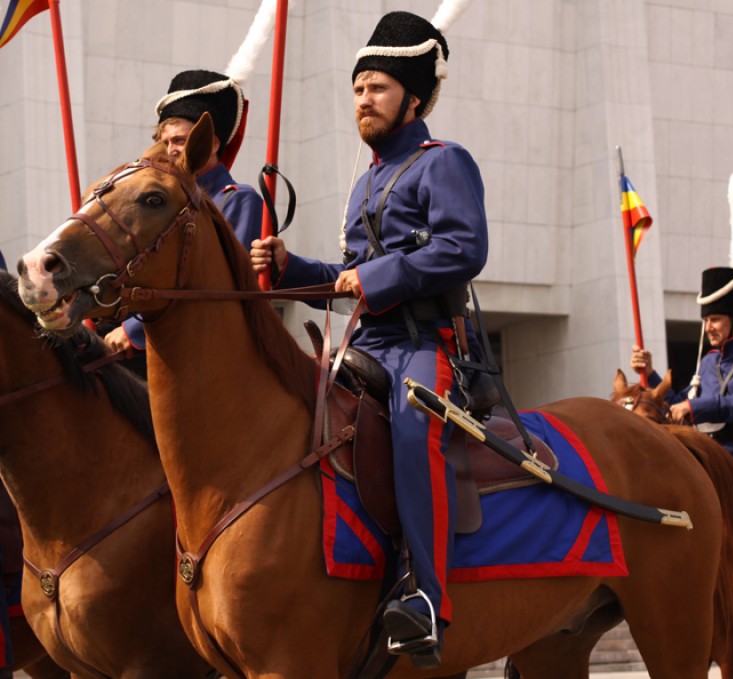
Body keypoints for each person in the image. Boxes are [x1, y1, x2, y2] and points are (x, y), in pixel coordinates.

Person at [251, 11, 488, 668]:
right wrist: (289, 268)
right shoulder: (366, 182)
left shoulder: (443, 164)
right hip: (365, 348)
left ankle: (426, 599)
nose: (364, 99)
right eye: (358, 88)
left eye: (378, 88)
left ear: (412, 98)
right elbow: (343, 276)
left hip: (423, 345)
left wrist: (374, 275)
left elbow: (464, 247)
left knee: (414, 422)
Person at [630, 266, 733, 581]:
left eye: (716, 319)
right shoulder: (708, 362)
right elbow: (680, 401)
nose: (709, 327)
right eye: (706, 320)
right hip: (709, 455)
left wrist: (696, 407)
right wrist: (652, 375)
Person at [103, 69, 263, 363]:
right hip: (152, 338)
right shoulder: (163, 205)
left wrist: (133, 331)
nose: (171, 151)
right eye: (165, 143)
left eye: (180, 140)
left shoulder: (237, 199)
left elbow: (219, 286)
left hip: (204, 351)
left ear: (211, 143)